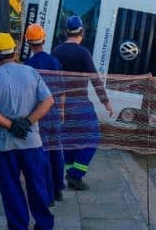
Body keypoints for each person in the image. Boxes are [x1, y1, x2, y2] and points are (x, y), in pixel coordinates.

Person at [0, 33, 55, 230]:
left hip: (3, 146)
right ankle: (44, 225)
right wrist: (28, 121)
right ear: (15, 50)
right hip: (31, 143)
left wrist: (11, 125)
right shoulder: (31, 72)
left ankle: (18, 226)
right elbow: (48, 100)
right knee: (37, 186)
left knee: (11, 190)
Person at [52, 16, 113, 191]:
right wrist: (105, 101)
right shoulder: (83, 53)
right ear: (82, 32)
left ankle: (71, 172)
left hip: (60, 105)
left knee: (68, 139)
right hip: (80, 104)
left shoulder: (56, 51)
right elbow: (95, 79)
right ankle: (76, 175)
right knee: (92, 138)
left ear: (66, 32)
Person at [23, 23, 66, 205]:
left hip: (40, 116)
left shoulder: (28, 66)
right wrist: (62, 112)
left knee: (44, 155)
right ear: (44, 39)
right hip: (55, 114)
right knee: (57, 152)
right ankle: (58, 189)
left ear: (28, 42)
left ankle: (47, 196)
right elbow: (62, 89)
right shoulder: (54, 61)